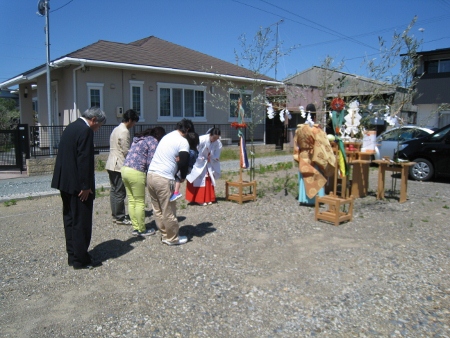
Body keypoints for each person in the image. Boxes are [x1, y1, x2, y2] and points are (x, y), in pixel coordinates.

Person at [51, 107, 106, 270]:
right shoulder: (86, 130)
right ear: (94, 119)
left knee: (69, 218)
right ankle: (81, 259)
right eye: (100, 125)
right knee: (81, 221)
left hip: (65, 182)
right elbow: (84, 159)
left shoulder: (71, 127)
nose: (98, 129)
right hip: (78, 185)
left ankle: (73, 255)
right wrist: (85, 186)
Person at [147, 119, 195, 246]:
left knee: (157, 209)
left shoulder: (167, 136)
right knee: (168, 209)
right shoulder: (182, 141)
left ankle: (165, 235)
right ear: (188, 130)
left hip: (151, 174)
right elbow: (184, 161)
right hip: (163, 177)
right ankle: (172, 238)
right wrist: (183, 176)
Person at [121, 127, 166, 237]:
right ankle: (141, 229)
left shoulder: (139, 139)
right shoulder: (153, 141)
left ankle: (136, 227)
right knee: (140, 202)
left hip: (124, 169)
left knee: (131, 200)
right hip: (136, 172)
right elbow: (151, 160)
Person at [105, 109, 139, 225]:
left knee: (114, 190)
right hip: (118, 164)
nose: (133, 125)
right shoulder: (124, 131)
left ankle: (115, 214)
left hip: (111, 162)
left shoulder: (116, 129)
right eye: (134, 122)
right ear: (129, 120)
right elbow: (125, 150)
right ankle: (119, 216)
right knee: (120, 191)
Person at [293, 123, 335, 205]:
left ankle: (304, 198)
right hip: (313, 155)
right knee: (315, 176)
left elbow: (296, 145)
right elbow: (321, 143)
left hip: (303, 154)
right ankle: (316, 199)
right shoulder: (316, 130)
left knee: (305, 176)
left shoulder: (298, 130)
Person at [186, 127, 222, 206]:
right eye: (214, 137)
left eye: (217, 138)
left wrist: (213, 158)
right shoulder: (201, 139)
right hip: (199, 161)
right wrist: (200, 158)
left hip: (208, 162)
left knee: (207, 179)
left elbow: (217, 153)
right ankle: (198, 198)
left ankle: (207, 198)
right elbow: (195, 149)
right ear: (210, 135)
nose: (215, 139)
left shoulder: (218, 143)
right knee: (198, 179)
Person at [170, 132, 199, 202]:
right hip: (190, 168)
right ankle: (174, 191)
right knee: (177, 178)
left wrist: (179, 158)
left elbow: (185, 160)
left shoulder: (190, 152)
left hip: (186, 167)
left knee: (177, 179)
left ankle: (176, 192)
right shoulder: (195, 151)